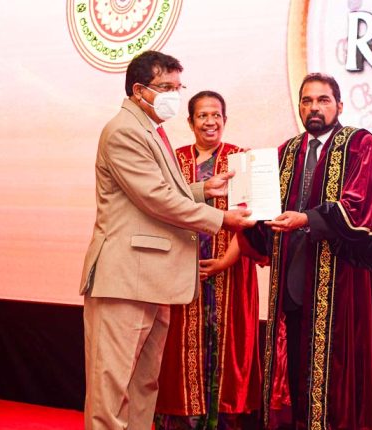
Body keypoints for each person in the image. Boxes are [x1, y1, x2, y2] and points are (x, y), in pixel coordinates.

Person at [79, 51, 255, 430]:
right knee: (111, 390)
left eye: (178, 87)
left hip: (152, 278)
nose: (174, 95)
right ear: (139, 90)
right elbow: (155, 198)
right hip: (124, 279)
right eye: (165, 87)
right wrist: (221, 218)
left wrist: (204, 189)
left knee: (143, 385)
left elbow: (160, 190)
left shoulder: (151, 129)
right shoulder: (124, 131)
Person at [244, 73, 372, 429]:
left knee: (339, 381)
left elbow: (361, 207)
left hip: (341, 288)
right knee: (297, 376)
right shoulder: (285, 152)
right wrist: (246, 211)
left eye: (323, 100)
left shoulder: (360, 145)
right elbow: (266, 216)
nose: (314, 107)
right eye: (307, 100)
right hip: (293, 285)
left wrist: (307, 219)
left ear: (339, 106)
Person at [155, 91, 261, 430]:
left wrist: (225, 261)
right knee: (178, 351)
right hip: (181, 272)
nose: (210, 122)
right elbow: (162, 210)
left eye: (216, 115)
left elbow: (252, 219)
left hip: (231, 271)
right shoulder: (173, 159)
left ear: (225, 120)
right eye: (202, 115)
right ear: (190, 122)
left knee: (228, 350)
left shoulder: (241, 159)